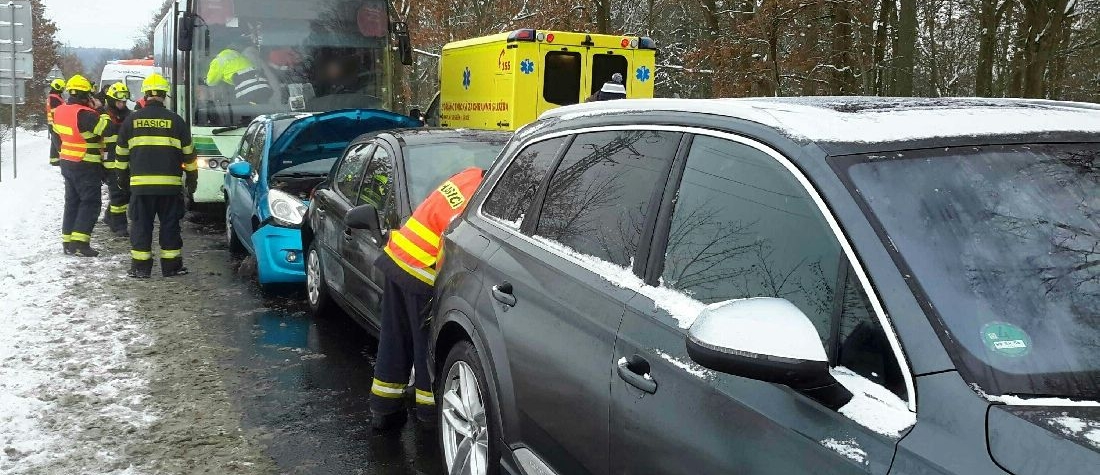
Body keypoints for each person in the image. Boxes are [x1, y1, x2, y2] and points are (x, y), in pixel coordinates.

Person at [369, 166, 485, 432]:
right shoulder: (480, 197)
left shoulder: (469, 175)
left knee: (395, 339)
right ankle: (428, 417)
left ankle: (384, 411)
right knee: (426, 347)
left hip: (399, 256)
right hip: (422, 267)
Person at [115, 73, 198, 278]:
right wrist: (192, 179)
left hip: (141, 188)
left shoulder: (131, 121)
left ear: (145, 94)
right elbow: (189, 154)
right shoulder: (176, 121)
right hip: (169, 188)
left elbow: (121, 155)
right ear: (164, 94)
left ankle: (140, 269)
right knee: (170, 226)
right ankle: (171, 268)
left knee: (141, 226)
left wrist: (122, 179)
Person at [52, 74, 110, 257]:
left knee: (72, 202)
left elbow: (56, 137)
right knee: (90, 203)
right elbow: (106, 129)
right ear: (87, 95)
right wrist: (102, 110)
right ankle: (81, 244)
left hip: (67, 162)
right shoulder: (85, 114)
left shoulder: (60, 110)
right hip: (86, 163)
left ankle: (68, 242)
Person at [100, 82, 133, 236]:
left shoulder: (130, 115)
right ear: (112, 100)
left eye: (124, 102)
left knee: (126, 193)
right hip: (110, 162)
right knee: (117, 194)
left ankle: (109, 216)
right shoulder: (104, 116)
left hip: (126, 161)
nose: (122, 104)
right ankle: (119, 227)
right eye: (119, 101)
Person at [205, 47, 273, 104]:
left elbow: (211, 82)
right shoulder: (232, 53)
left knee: (247, 106)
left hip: (245, 85)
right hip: (259, 80)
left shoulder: (216, 62)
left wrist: (205, 80)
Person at [46, 78, 66, 166]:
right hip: (56, 123)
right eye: (62, 88)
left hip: (52, 123)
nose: (63, 90)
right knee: (58, 142)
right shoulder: (55, 98)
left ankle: (54, 160)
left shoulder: (53, 97)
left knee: (54, 142)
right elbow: (57, 112)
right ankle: (62, 159)